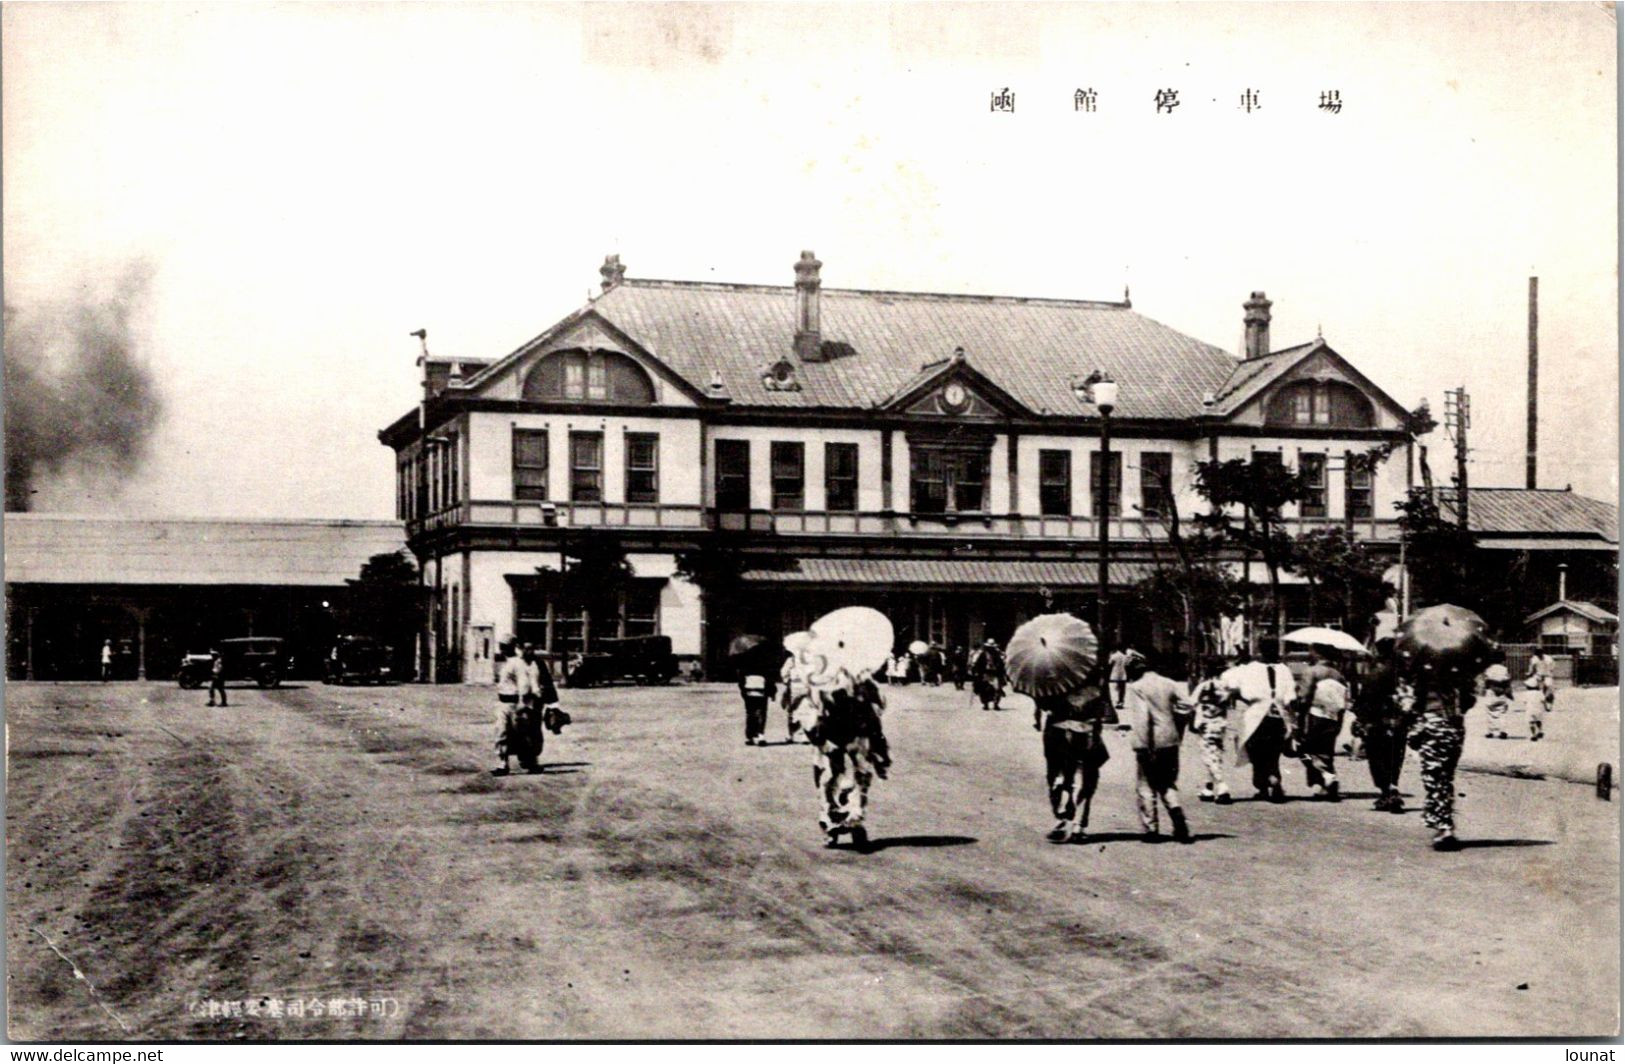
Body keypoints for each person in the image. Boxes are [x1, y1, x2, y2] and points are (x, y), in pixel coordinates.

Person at [799, 668, 891, 851]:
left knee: (860, 782)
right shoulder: (819, 681)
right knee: (829, 782)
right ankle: (831, 826)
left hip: (857, 739)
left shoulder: (865, 681)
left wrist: (880, 751)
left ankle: (855, 824)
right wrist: (821, 741)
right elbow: (808, 716)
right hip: (829, 740)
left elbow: (874, 714)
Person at [1123, 654, 1196, 842]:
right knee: (1167, 782)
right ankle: (1177, 814)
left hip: (1150, 741)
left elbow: (1142, 719)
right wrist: (1176, 723)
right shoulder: (1168, 683)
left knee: (1146, 785)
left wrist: (1143, 745)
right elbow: (1188, 705)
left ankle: (1151, 829)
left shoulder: (1136, 688)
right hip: (1170, 740)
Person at [1032, 678, 1110, 842]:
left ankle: (1063, 817)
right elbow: (1106, 715)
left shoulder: (1052, 683)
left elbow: (1042, 705)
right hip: (1086, 734)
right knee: (1086, 779)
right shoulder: (1096, 685)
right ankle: (1077, 825)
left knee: (1058, 776)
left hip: (1057, 734)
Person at [1409, 671, 1474, 851]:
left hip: (1433, 728)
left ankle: (1444, 827)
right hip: (1455, 728)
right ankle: (1443, 824)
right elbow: (1469, 702)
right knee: (1445, 778)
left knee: (1434, 779)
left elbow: (1413, 707)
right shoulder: (1460, 678)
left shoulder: (1424, 677)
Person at [1225, 646, 1297, 803]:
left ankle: (1264, 784)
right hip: (1278, 716)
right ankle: (1274, 779)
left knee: (1256, 752)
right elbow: (1290, 695)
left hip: (1256, 715)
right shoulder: (1284, 669)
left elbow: (1233, 684)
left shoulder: (1251, 669)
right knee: (1273, 752)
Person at [1353, 639, 1410, 812]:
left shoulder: (1376, 673)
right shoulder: (1403, 673)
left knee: (1377, 758)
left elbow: (1365, 699)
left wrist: (1360, 718)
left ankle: (1387, 791)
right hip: (1399, 722)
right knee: (1395, 757)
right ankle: (1392, 786)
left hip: (1378, 721)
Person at [1296, 649, 1349, 801]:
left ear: (1319, 654)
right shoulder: (1339, 675)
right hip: (1334, 717)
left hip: (1315, 715)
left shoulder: (1312, 672)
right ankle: (1324, 786)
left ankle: (1326, 777)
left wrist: (1299, 715)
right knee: (1326, 751)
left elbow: (1304, 697)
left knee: (1304, 750)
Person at [1188, 656, 1234, 804]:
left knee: (1208, 755)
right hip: (1220, 723)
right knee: (1215, 754)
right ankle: (1208, 787)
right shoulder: (1225, 686)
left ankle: (1222, 787)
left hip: (1206, 723)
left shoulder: (1204, 686)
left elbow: (1191, 702)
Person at [494, 641, 525, 775]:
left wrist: (522, 704)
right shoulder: (506, 663)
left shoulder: (518, 663)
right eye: (502, 647)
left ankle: (528, 761)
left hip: (514, 703)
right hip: (502, 702)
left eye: (505, 647)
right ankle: (503, 764)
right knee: (501, 731)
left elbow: (523, 684)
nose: (502, 650)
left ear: (512, 647)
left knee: (519, 733)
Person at [738, 649, 778, 747]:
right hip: (761, 691)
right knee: (761, 713)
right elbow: (770, 678)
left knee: (750, 713)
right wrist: (772, 692)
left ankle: (750, 736)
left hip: (749, 690)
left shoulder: (745, 663)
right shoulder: (765, 663)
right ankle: (760, 735)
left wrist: (743, 691)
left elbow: (741, 679)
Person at [1481, 650, 1513, 739]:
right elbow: (1507, 681)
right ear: (1503, 659)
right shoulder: (1504, 669)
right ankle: (1503, 731)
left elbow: (1486, 681)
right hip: (1502, 692)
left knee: (1490, 712)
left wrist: (1485, 690)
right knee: (1502, 712)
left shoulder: (1489, 669)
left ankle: (1490, 731)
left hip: (1491, 692)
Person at [969, 639, 1006, 711]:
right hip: (985, 674)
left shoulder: (997, 654)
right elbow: (978, 664)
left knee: (997, 689)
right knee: (985, 689)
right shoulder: (983, 654)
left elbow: (1001, 665)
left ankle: (996, 704)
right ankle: (986, 704)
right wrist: (976, 672)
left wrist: (1001, 671)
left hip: (995, 674)